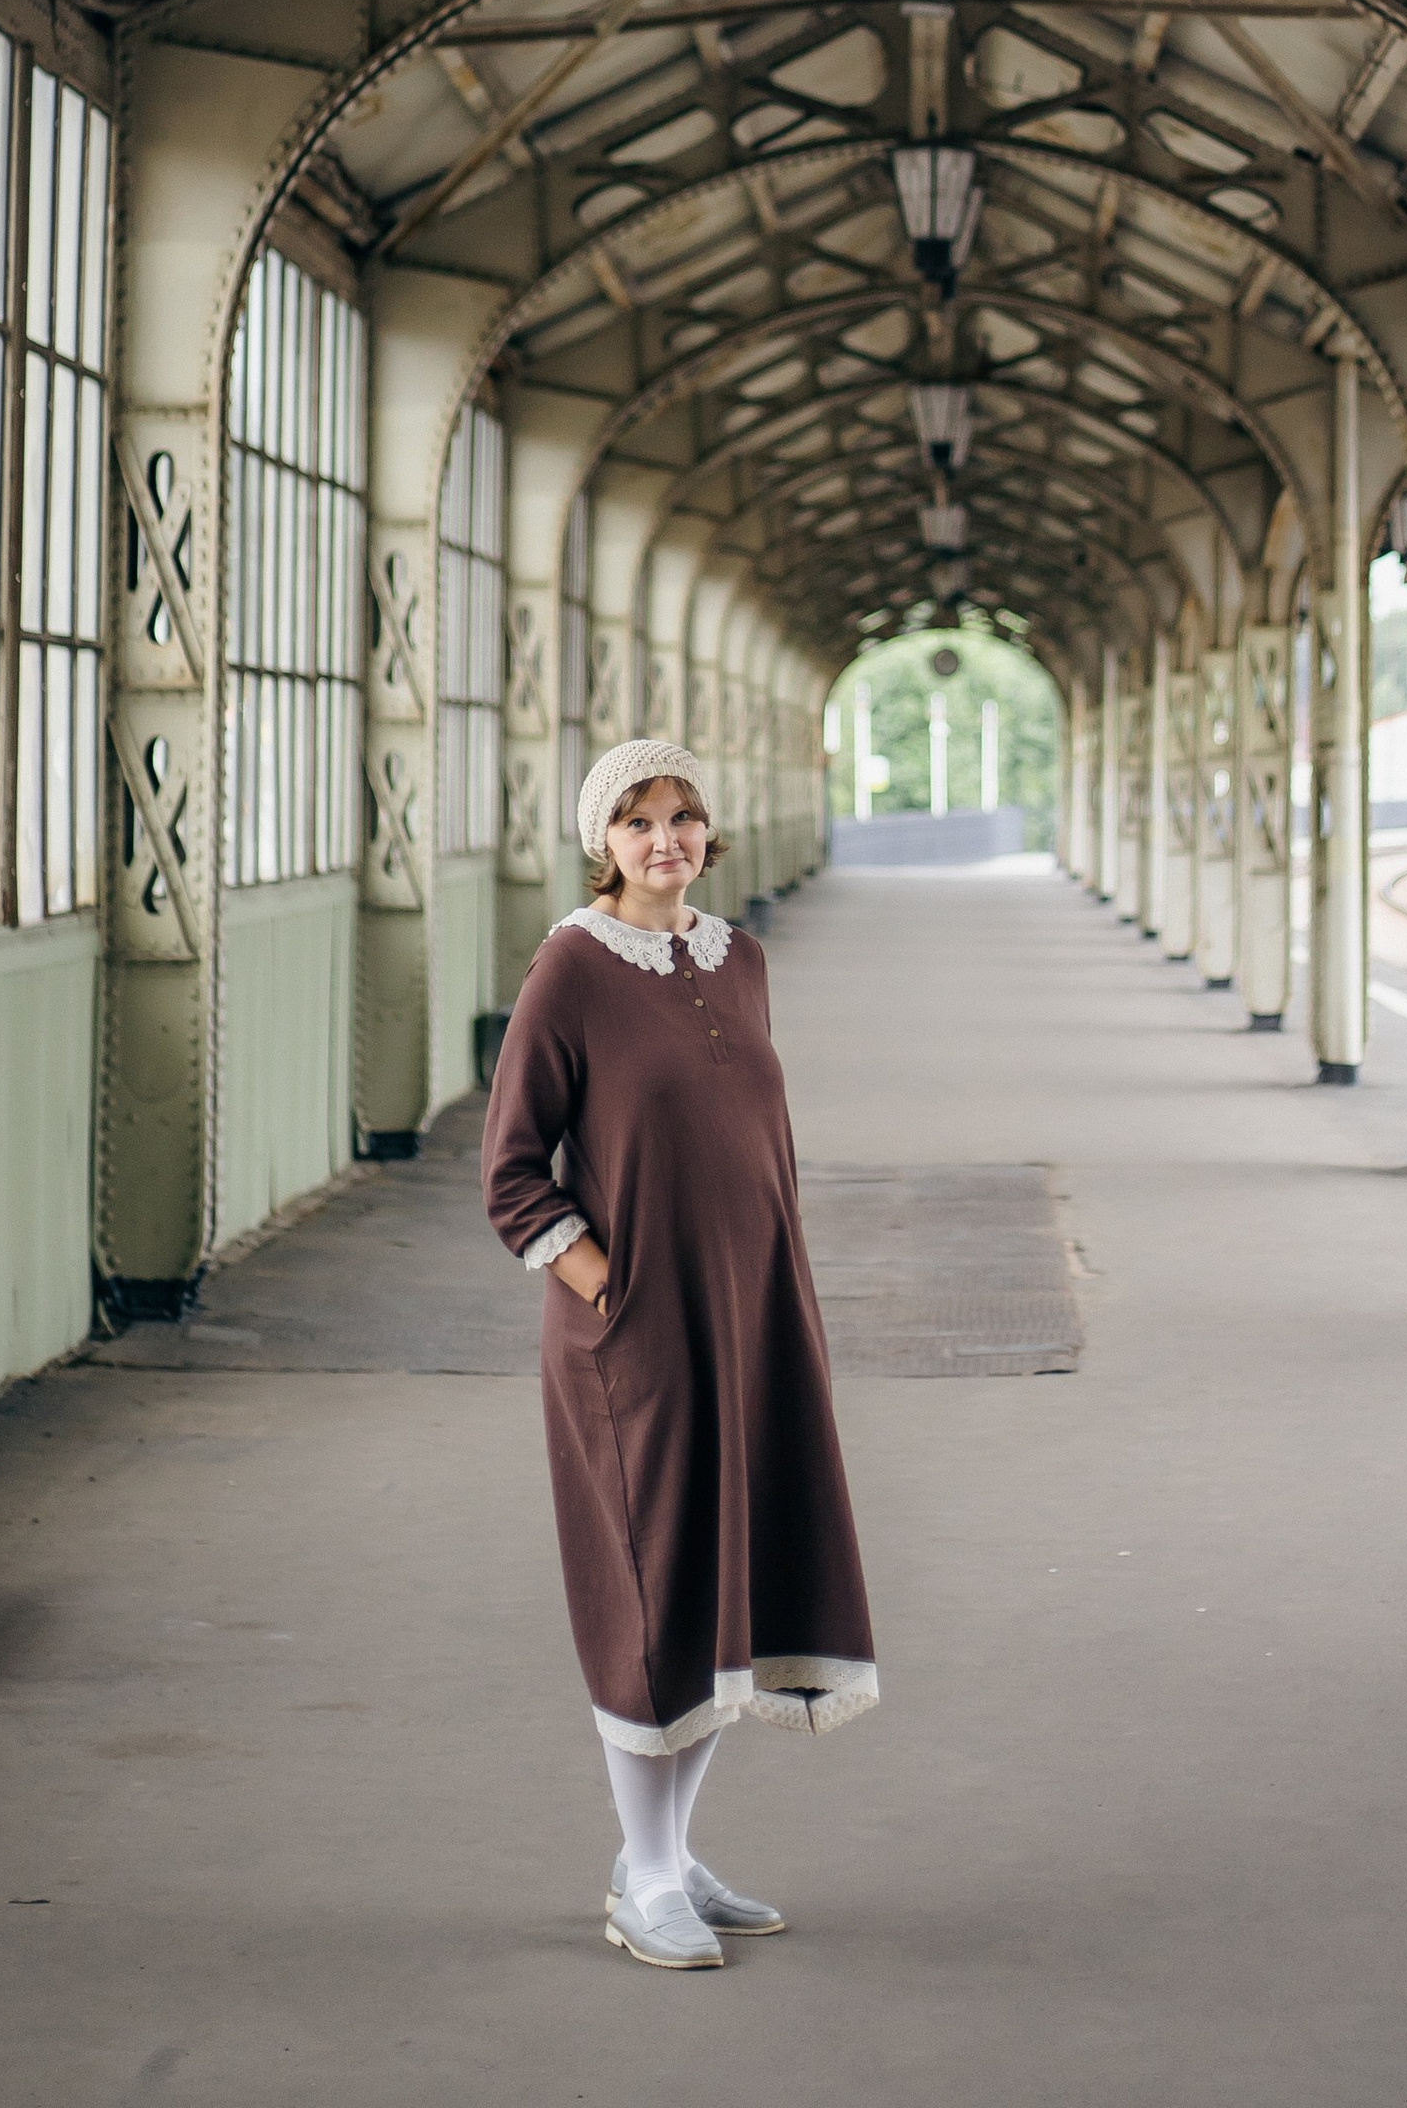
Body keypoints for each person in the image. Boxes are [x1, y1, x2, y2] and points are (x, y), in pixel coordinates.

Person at [481, 736, 877, 1970]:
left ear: (710, 834)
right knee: (647, 1597)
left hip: (751, 1318)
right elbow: (509, 1174)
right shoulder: (570, 970)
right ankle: (643, 1878)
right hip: (635, 1339)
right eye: (640, 820)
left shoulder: (738, 959)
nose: (666, 840)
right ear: (602, 843)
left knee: (719, 1590)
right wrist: (615, 1289)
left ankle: (666, 1856)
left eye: (685, 816)